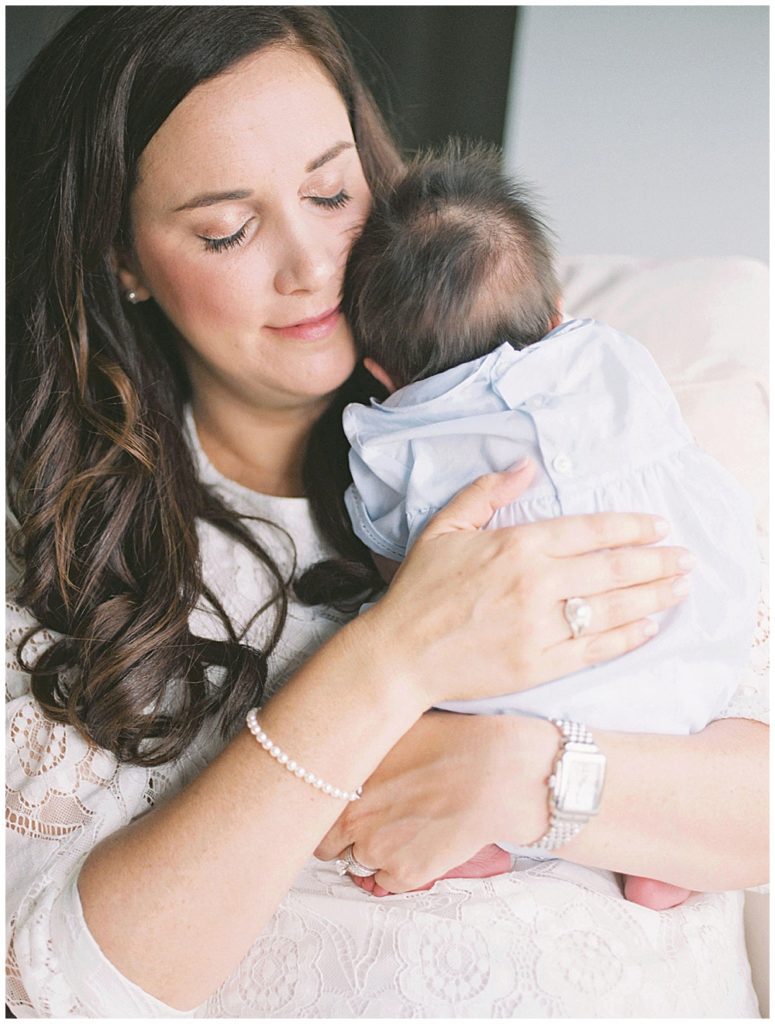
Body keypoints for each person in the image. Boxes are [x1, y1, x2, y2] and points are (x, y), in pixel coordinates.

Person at [5, 7, 766, 1018]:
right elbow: (54, 990)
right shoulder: (56, 555)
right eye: (227, 230)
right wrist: (390, 659)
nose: (314, 267)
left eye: (331, 191)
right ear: (125, 261)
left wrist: (509, 771)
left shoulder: (572, 403)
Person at [333, 143, 761, 910]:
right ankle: (661, 850)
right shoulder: (613, 355)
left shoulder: (394, 435)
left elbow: (404, 567)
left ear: (381, 373)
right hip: (685, 628)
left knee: (421, 647)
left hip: (545, 681)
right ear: (558, 315)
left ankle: (490, 840)